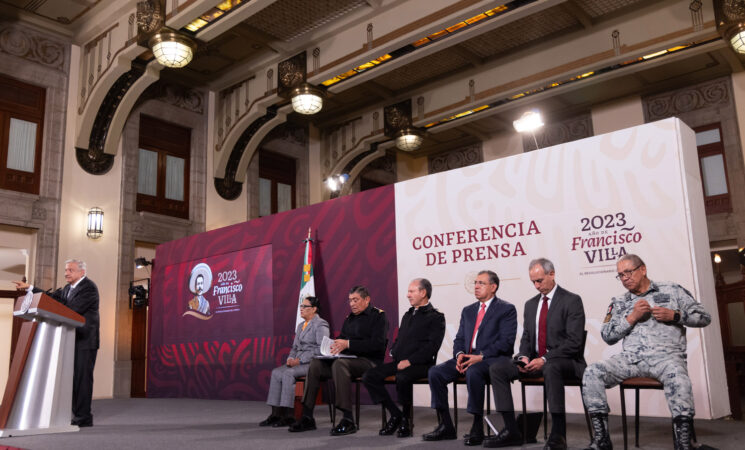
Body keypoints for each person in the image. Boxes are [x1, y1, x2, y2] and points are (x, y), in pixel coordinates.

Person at [581, 254, 711, 450]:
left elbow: (704, 317)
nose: (625, 278)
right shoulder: (619, 301)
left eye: (628, 272)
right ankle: (602, 440)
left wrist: (675, 315)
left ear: (643, 269)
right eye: (620, 275)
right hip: (630, 360)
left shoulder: (672, 290)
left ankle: (684, 443)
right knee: (592, 372)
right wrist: (631, 317)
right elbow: (607, 336)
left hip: (666, 358)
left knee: (679, 378)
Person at [485, 258, 586, 449]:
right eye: (533, 282)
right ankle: (511, 431)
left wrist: (544, 358)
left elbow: (574, 342)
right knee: (498, 368)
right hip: (537, 362)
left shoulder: (571, 300)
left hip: (565, 362)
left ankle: (558, 434)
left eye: (539, 280)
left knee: (551, 367)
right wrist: (523, 356)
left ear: (552, 274)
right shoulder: (530, 304)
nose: (536, 285)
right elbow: (527, 338)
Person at [423, 270, 517, 446]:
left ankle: (477, 427)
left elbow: (506, 343)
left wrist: (480, 356)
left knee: (474, 371)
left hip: (492, 358)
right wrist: (459, 355)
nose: (476, 286)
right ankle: (446, 426)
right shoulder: (468, 311)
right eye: (475, 283)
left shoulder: (506, 309)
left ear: (493, 287)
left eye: (481, 283)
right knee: (435, 372)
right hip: (467, 357)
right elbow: (459, 339)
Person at [289, 285, 388, 435]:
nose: (352, 304)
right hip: (348, 359)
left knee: (340, 364)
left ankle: (348, 419)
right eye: (350, 301)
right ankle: (307, 416)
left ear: (367, 299)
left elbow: (378, 344)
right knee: (316, 363)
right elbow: (341, 339)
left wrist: (348, 344)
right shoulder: (349, 319)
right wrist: (333, 347)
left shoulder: (379, 316)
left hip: (369, 361)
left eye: (356, 300)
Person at [14, 259, 100, 427]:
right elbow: (54, 299)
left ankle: (83, 417)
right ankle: (76, 414)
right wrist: (30, 288)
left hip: (85, 341)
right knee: (72, 379)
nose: (66, 273)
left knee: (82, 380)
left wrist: (56, 305)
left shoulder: (89, 288)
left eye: (70, 270)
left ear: (82, 272)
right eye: (66, 269)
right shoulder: (67, 288)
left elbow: (72, 310)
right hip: (69, 339)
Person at [362, 278, 445, 437]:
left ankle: (406, 419)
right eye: (408, 291)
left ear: (423, 293)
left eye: (411, 291)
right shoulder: (408, 314)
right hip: (400, 362)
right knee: (369, 376)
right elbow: (400, 338)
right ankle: (395, 414)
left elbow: (432, 347)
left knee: (402, 377)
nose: (408, 295)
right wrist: (394, 350)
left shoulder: (436, 317)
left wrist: (410, 361)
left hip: (422, 365)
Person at [260, 296, 329, 427]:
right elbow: (294, 348)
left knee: (287, 374)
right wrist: (290, 359)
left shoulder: (321, 324)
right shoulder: (300, 326)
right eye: (301, 306)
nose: (301, 309)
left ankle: (289, 415)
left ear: (314, 309)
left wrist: (300, 360)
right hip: (297, 361)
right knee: (276, 373)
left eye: (305, 307)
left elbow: (321, 349)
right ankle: (275, 414)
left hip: (312, 364)